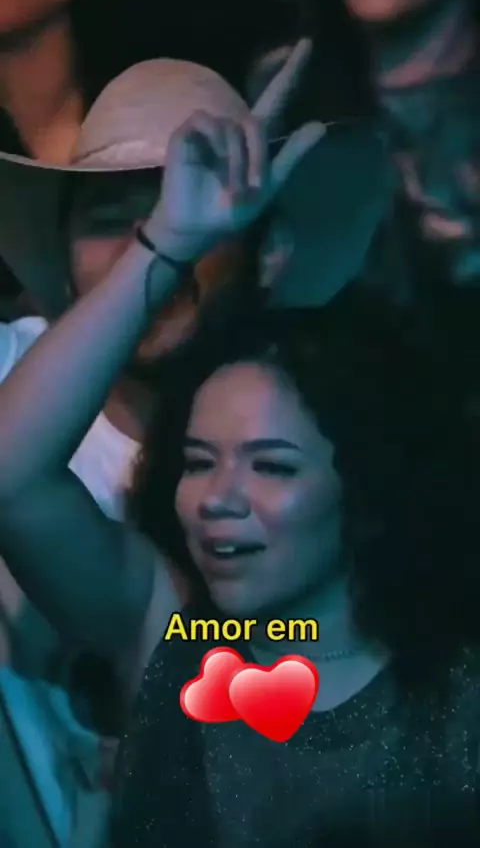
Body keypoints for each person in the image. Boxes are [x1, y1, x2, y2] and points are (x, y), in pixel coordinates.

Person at [0, 66, 478, 848]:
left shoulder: (452, 700)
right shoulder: (176, 636)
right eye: (196, 461)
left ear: (360, 487)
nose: (219, 496)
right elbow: (10, 476)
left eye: (272, 465)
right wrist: (169, 242)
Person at [0, 42, 325, 847]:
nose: (147, 236)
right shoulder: (9, 368)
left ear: (267, 248)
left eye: (192, 201)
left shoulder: (339, 441)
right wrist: (169, 245)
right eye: (110, 219)